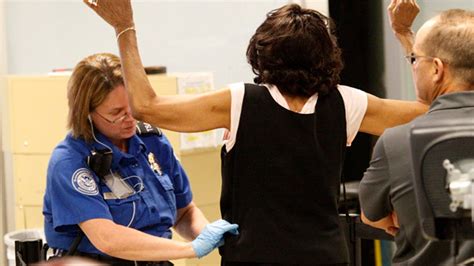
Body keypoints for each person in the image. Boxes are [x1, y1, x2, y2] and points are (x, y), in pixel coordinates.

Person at [84, 1, 428, 265]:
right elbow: (429, 113)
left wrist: (124, 27)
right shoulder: (346, 103)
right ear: (328, 56)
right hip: (326, 256)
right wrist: (404, 36)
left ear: (261, 52)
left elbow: (147, 106)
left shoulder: (239, 101)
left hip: (252, 258)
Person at [42, 53, 238, 266]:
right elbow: (107, 238)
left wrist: (208, 235)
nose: (130, 119)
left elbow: (184, 213)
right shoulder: (70, 161)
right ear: (87, 113)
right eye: (117, 113)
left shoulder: (152, 142)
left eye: (133, 108)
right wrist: (189, 249)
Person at [359, 2, 474, 265]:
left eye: (414, 59)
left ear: (436, 69)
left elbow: (373, 216)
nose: (412, 66)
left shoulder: (397, 142)